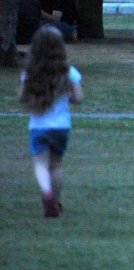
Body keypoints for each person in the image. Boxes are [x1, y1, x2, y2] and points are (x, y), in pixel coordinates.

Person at [17, 26, 84, 218]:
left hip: (39, 125)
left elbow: (22, 97)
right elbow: (79, 97)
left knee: (40, 164)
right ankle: (56, 201)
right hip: (61, 126)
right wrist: (66, 95)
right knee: (56, 165)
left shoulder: (30, 72)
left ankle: (46, 193)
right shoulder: (69, 72)